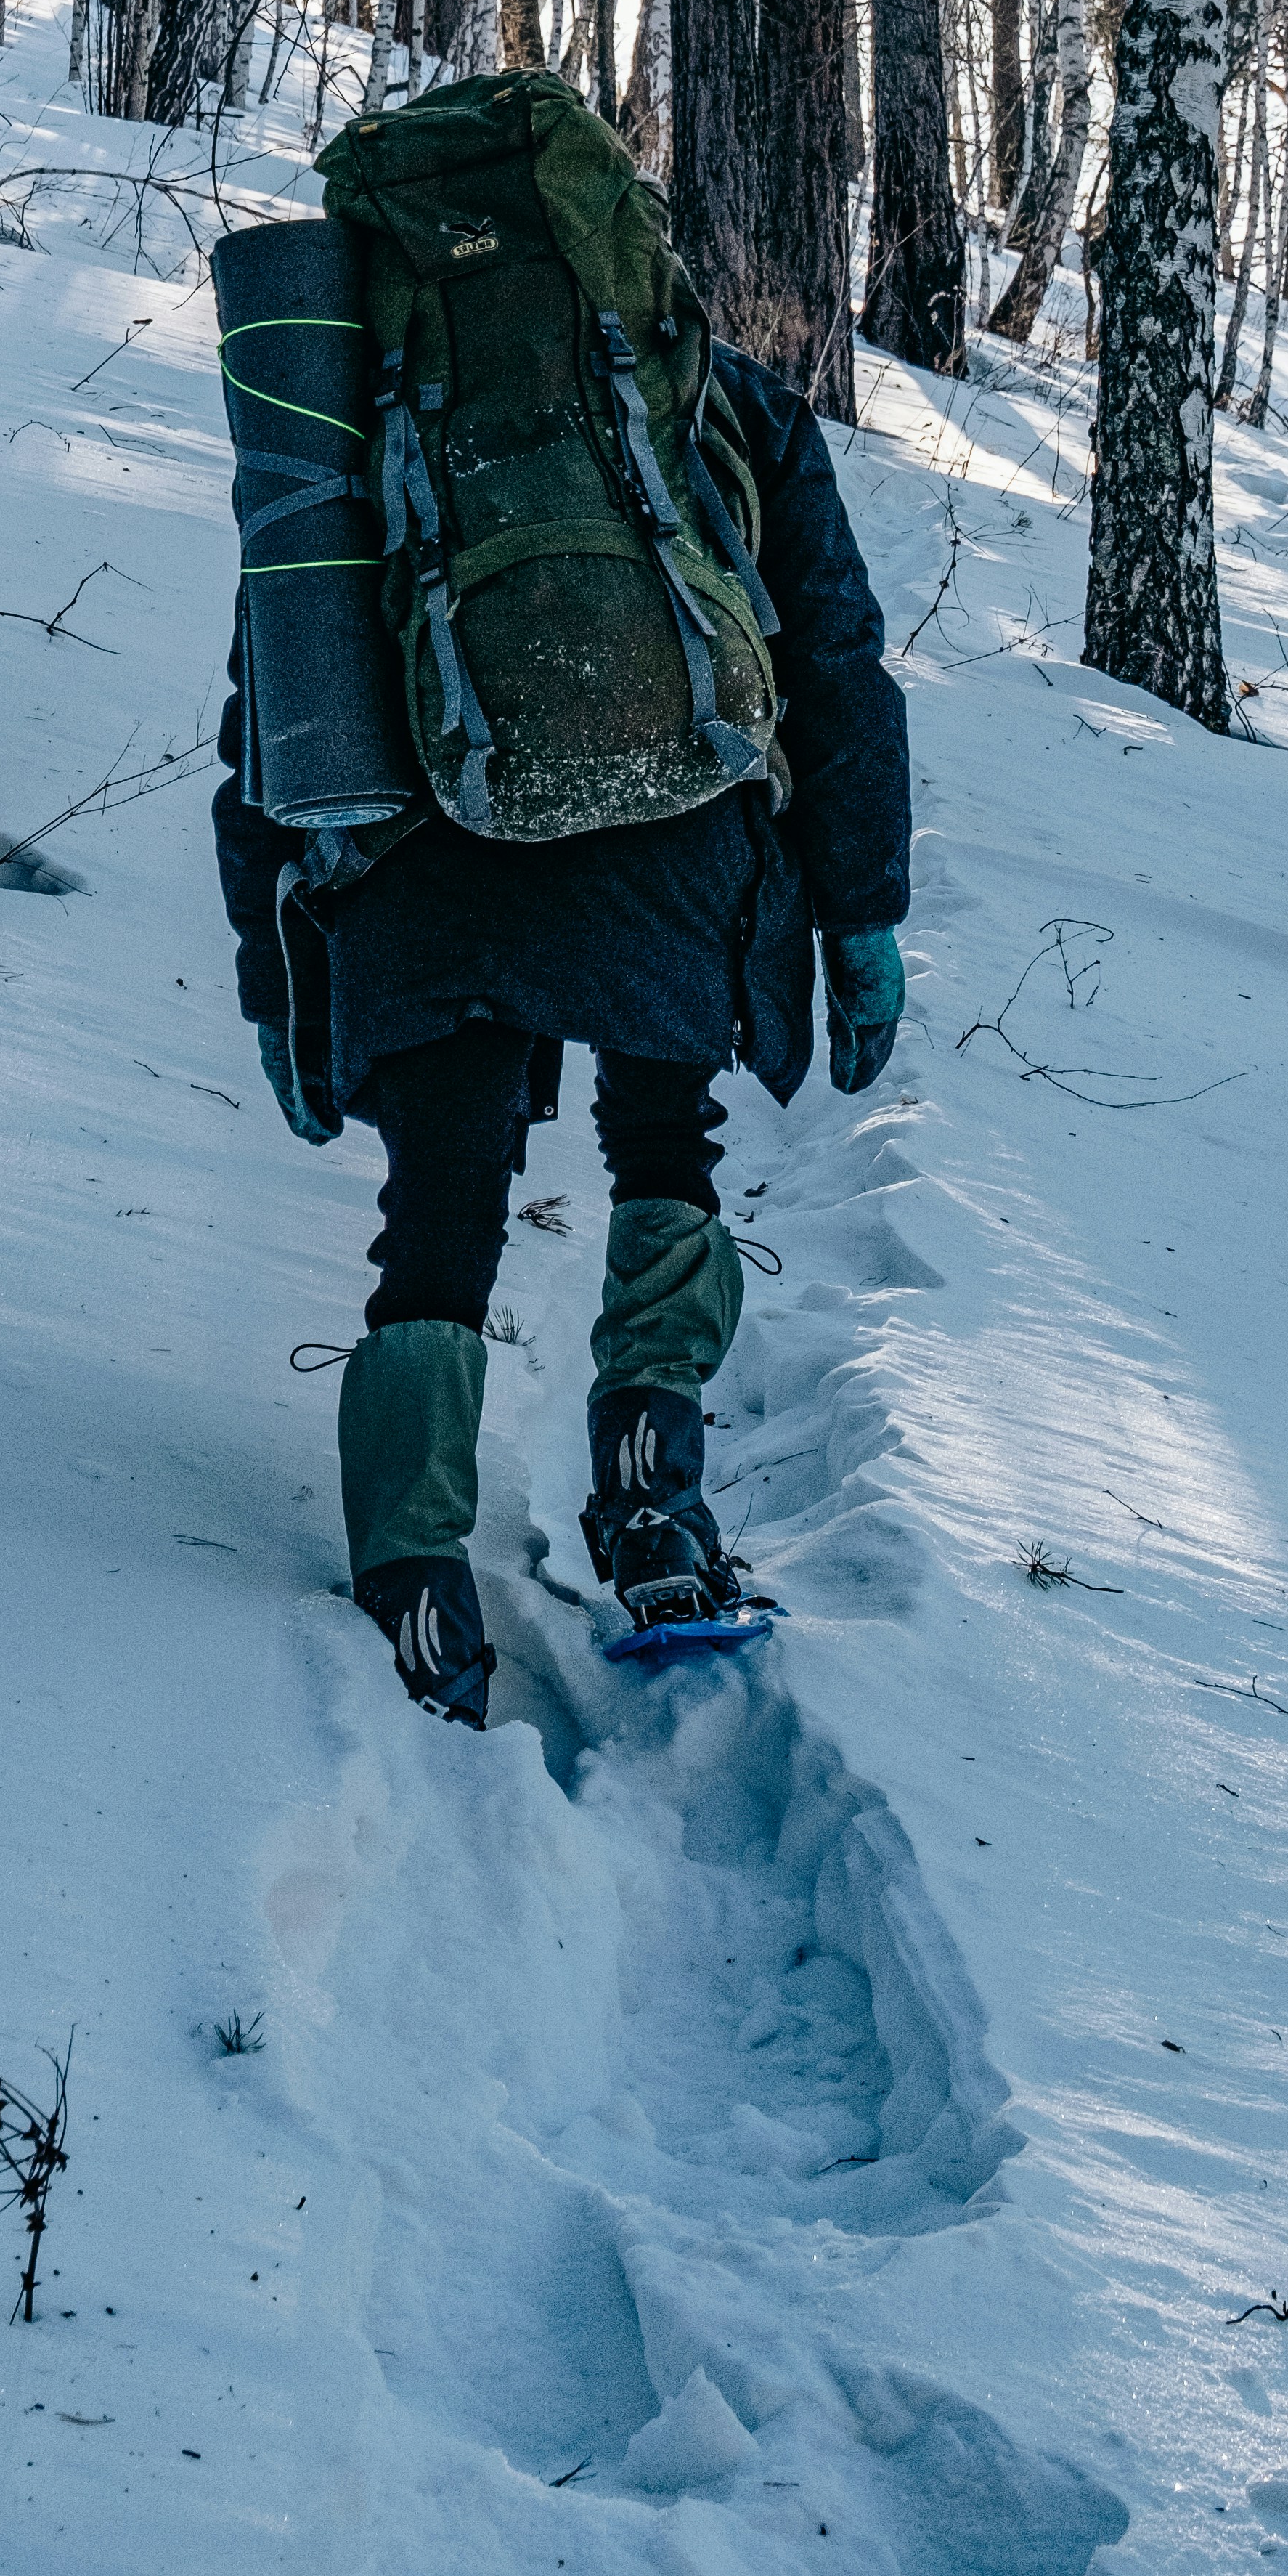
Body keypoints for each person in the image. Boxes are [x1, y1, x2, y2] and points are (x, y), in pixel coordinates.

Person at [213, 330, 910, 1726]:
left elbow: (275, 694)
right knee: (666, 1138)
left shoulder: (355, 390)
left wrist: (272, 975)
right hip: (680, 834)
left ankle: (415, 1570)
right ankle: (653, 1495)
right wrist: (862, 911)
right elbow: (833, 652)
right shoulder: (715, 390)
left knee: (443, 1192)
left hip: (428, 851)